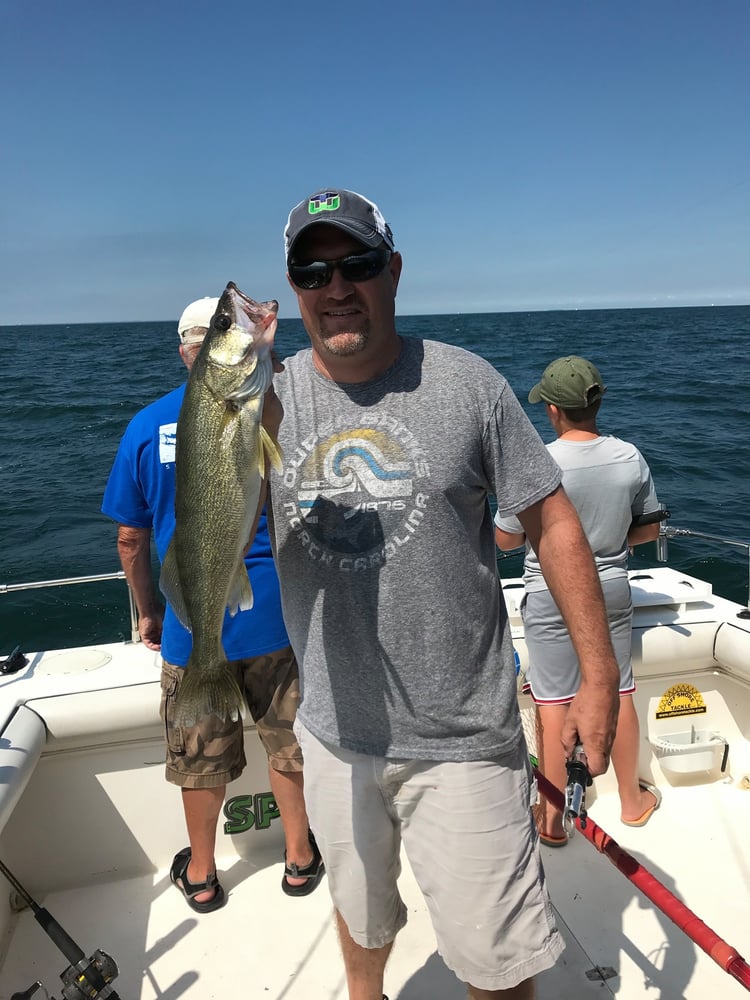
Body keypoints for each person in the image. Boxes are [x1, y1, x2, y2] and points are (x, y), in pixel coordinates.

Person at [267, 188, 622, 1000]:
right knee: (360, 919)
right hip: (331, 728)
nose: (337, 286)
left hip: (464, 738)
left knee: (496, 966)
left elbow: (553, 522)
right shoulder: (265, 398)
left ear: (393, 269)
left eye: (357, 263)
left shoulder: (468, 383)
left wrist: (597, 678)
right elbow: (215, 522)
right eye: (312, 270)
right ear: (294, 289)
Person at [101, 296, 323, 912]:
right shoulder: (264, 412)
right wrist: (267, 356)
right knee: (289, 743)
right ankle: (299, 857)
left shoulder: (145, 426)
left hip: (188, 621)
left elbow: (129, 537)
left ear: (183, 354)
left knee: (201, 760)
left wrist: (149, 610)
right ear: (222, 352)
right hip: (271, 619)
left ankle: (201, 871)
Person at [495, 355, 662, 847]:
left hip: (547, 592)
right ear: (597, 402)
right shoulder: (629, 456)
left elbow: (506, 541)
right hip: (611, 588)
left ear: (551, 410)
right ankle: (632, 802)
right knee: (617, 692)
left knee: (552, 703)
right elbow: (649, 528)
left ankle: (550, 822)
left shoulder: (536, 462)